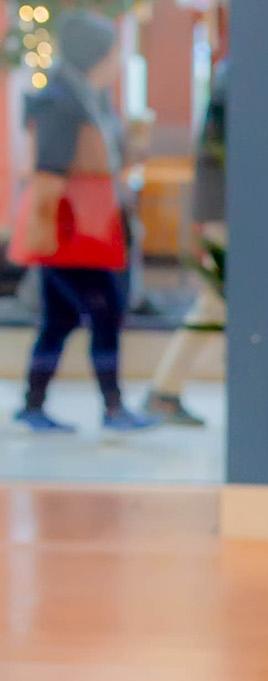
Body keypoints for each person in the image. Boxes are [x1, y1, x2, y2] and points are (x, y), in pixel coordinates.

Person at [10, 11, 157, 434]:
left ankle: (33, 404)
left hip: (89, 221)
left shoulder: (89, 98)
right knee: (105, 311)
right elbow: (50, 171)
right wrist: (45, 229)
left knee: (59, 318)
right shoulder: (62, 101)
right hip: (70, 227)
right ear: (97, 54)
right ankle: (113, 408)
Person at [143, 59, 226, 427]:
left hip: (225, 209)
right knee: (216, 304)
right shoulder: (238, 74)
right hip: (227, 211)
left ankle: (165, 390)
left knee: (216, 305)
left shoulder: (234, 72)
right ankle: (164, 391)